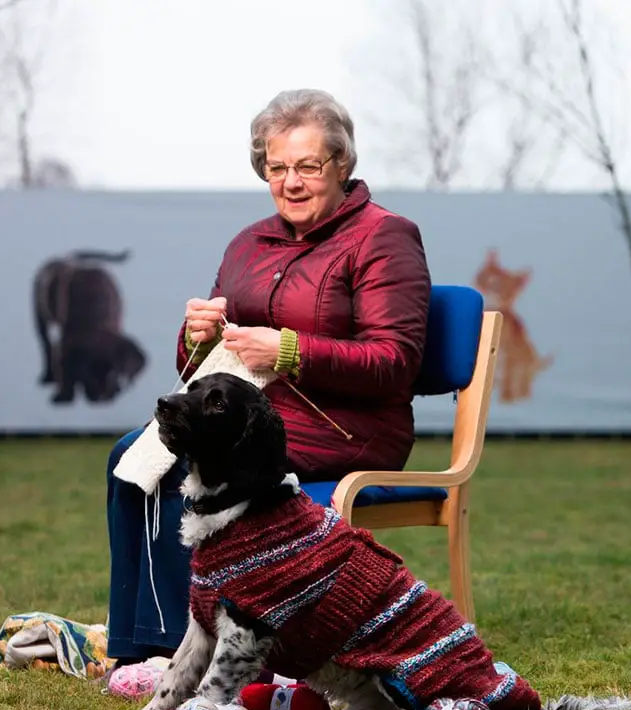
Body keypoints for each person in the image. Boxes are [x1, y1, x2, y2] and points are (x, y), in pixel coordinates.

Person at [106, 88, 432, 663]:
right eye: (276, 167)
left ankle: (179, 653)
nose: (291, 182)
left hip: (351, 430)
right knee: (131, 455)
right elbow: (197, 372)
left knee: (186, 461)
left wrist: (287, 350)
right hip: (250, 420)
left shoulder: (385, 235)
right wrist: (196, 337)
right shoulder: (249, 242)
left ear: (343, 164)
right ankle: (138, 646)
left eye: (309, 166)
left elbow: (394, 360)